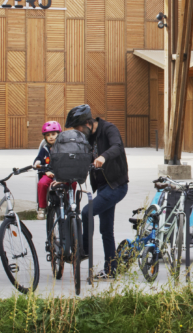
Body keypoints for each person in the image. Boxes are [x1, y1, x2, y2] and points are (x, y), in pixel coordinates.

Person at [65, 104, 128, 280]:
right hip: (102, 187)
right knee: (106, 230)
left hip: (116, 185)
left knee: (87, 212)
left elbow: (117, 147)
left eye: (78, 128)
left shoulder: (109, 129)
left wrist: (103, 156)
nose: (77, 132)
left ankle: (84, 250)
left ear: (87, 123)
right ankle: (111, 269)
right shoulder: (88, 137)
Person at [33, 121, 63, 219]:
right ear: (45, 137)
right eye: (48, 135)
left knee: (73, 182)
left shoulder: (64, 148)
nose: (51, 137)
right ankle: (42, 207)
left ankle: (70, 202)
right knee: (42, 183)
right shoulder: (44, 150)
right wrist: (38, 164)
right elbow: (38, 160)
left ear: (59, 134)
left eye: (53, 134)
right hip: (49, 174)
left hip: (63, 175)